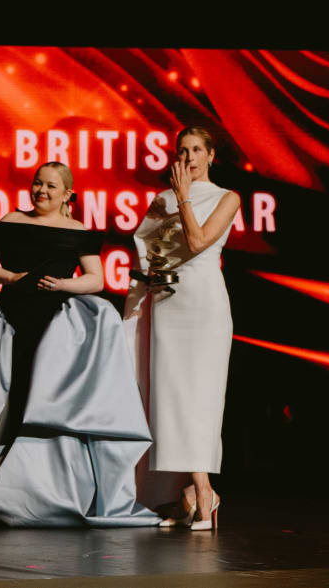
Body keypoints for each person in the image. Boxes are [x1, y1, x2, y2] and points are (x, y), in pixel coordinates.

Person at [0, 162, 160, 527]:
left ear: (67, 195)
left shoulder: (77, 230)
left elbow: (94, 280)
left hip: (55, 328)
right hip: (11, 318)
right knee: (7, 401)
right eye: (37, 184)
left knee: (45, 401)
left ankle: (38, 492)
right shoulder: (12, 219)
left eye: (50, 186)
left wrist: (64, 285)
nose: (41, 191)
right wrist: (12, 276)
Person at [123, 126, 240, 531]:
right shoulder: (162, 200)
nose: (188, 157)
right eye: (181, 151)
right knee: (168, 399)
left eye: (196, 150)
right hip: (167, 304)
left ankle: (205, 491)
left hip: (204, 306)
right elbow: (146, 252)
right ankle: (187, 494)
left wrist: (185, 196)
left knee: (199, 399)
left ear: (211, 156)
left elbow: (197, 239)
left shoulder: (227, 197)